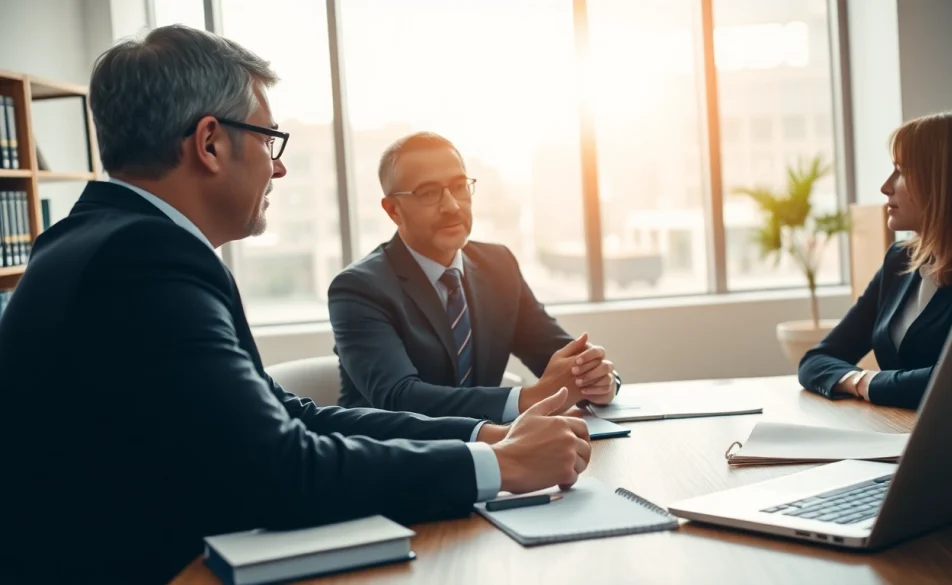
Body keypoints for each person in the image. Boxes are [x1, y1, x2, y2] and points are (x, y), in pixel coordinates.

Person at [0, 26, 591, 585]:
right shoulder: (142, 259)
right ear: (209, 143)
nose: (278, 165)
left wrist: (484, 437)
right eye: (267, 139)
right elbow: (279, 469)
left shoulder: (106, 238)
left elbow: (289, 415)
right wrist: (502, 469)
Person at [327, 132, 620, 423]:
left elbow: (563, 357)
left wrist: (599, 380)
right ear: (393, 210)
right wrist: (532, 397)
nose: (452, 206)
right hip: (393, 458)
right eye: (428, 193)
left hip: (497, 452)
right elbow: (399, 398)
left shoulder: (498, 265)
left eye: (459, 187)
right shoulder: (358, 289)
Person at [798, 110, 952, 409]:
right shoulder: (901, 260)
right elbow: (816, 361)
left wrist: (872, 383)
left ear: (948, 181)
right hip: (897, 433)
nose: (886, 186)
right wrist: (861, 381)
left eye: (901, 171)